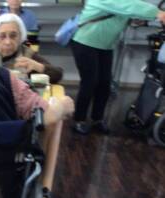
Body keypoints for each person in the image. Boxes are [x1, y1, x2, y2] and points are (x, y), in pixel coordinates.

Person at [71, 0, 165, 135]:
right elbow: (127, 5)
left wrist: (141, 20)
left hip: (105, 46)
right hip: (85, 43)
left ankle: (97, 119)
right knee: (90, 82)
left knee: (105, 83)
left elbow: (126, 10)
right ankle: (79, 120)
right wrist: (158, 13)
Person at [0, 13, 62, 84]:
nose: (8, 42)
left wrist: (37, 66)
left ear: (20, 37)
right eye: (2, 36)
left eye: (13, 36)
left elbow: (57, 75)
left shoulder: (28, 55)